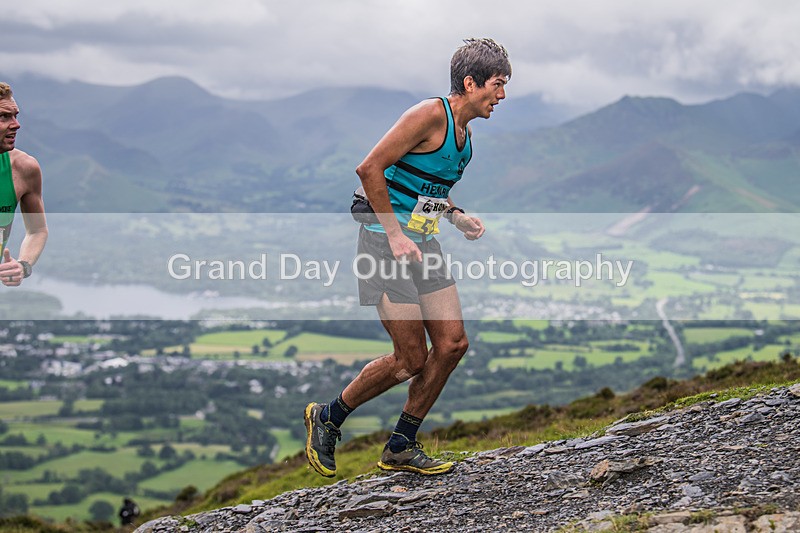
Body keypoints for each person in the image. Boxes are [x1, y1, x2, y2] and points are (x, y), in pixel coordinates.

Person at [305, 38, 511, 476]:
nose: (502, 95)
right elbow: (369, 168)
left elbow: (426, 187)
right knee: (410, 358)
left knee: (453, 344)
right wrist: (396, 236)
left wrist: (455, 215)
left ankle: (401, 444)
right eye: (497, 84)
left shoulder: (464, 136)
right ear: (471, 83)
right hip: (384, 244)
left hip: (423, 245)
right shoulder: (429, 114)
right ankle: (328, 416)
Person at [0, 82, 48, 287]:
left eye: (15, 115)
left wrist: (23, 265)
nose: (16, 124)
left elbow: (37, 230)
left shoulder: (24, 169)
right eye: (4, 117)